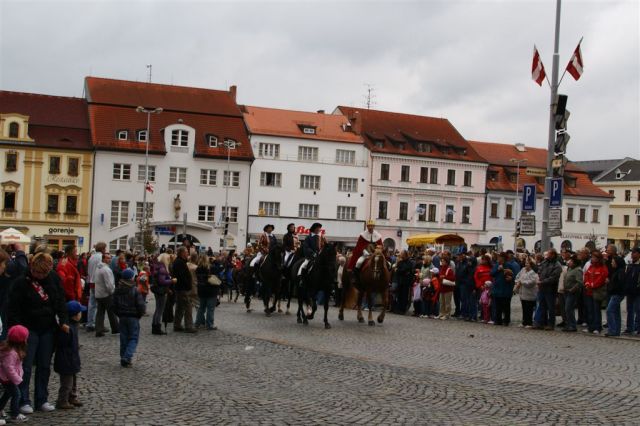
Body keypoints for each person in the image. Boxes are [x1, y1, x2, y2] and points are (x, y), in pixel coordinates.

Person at [8, 252, 69, 415]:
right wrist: (17, 329)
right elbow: (13, 307)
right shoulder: (21, 282)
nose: (40, 276)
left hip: (48, 328)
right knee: (25, 367)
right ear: (32, 268)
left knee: (44, 366)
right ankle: (23, 400)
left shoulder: (54, 279)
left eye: (44, 273)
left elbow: (60, 301)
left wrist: (63, 320)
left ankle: (42, 399)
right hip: (28, 329)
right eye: (37, 272)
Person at [54, 301, 85, 409]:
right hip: (66, 359)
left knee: (73, 381)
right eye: (80, 312)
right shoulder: (67, 329)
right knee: (67, 383)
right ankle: (62, 400)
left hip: (72, 358)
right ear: (76, 315)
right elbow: (62, 344)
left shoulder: (73, 326)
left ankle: (72, 397)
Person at [112, 268, 146, 367]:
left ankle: (123, 357)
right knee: (133, 338)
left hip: (122, 316)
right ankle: (127, 357)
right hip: (133, 317)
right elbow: (140, 305)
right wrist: (140, 313)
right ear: (132, 278)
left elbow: (113, 305)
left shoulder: (118, 289)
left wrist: (119, 313)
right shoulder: (135, 290)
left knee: (123, 338)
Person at [0, 325, 29, 423]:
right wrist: (17, 379)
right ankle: (15, 414)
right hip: (8, 378)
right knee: (16, 395)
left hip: (8, 377)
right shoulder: (12, 353)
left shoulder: (13, 350)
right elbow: (9, 368)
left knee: (7, 394)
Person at [533, 249, 562, 330]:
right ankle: (541, 323)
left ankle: (551, 324)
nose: (547, 255)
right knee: (541, 306)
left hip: (550, 289)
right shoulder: (544, 262)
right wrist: (539, 279)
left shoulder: (557, 265)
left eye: (549, 254)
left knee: (551, 307)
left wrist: (542, 281)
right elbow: (539, 270)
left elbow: (554, 278)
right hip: (542, 288)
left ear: (553, 255)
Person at [94, 252, 119, 337]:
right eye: (108, 258)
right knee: (111, 312)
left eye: (110, 258)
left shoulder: (98, 267)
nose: (109, 259)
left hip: (98, 293)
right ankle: (115, 328)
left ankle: (99, 329)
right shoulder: (106, 270)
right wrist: (112, 292)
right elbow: (109, 284)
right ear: (104, 259)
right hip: (106, 294)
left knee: (100, 312)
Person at [583, 250, 608, 334]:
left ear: (598, 259)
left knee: (596, 310)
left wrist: (592, 285)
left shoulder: (602, 268)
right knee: (590, 310)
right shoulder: (591, 266)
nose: (592, 259)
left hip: (597, 292)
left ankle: (597, 327)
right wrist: (587, 283)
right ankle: (591, 326)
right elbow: (586, 275)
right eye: (592, 257)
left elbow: (601, 278)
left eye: (594, 257)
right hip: (589, 291)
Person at [172, 247, 196, 333]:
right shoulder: (179, 263)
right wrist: (187, 285)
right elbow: (182, 276)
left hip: (180, 287)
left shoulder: (179, 262)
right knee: (188, 307)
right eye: (186, 252)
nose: (187, 254)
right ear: (182, 253)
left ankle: (177, 325)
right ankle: (188, 326)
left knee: (180, 307)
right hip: (183, 288)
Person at [85, 242, 107, 332]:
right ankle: (98, 324)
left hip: (91, 281)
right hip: (98, 282)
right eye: (105, 248)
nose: (105, 250)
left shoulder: (91, 257)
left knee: (92, 304)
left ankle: (90, 323)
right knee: (100, 305)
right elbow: (102, 270)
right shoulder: (100, 257)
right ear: (102, 249)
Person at [151, 253, 175, 335]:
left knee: (157, 309)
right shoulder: (162, 268)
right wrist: (172, 281)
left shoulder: (158, 266)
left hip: (158, 290)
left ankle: (154, 326)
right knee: (160, 310)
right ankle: (157, 327)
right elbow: (162, 281)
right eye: (168, 259)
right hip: (161, 291)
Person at [194, 255, 218, 330]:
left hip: (201, 290)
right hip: (211, 291)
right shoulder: (210, 268)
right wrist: (215, 261)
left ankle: (197, 323)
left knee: (201, 308)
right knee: (210, 309)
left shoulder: (197, 268)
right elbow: (218, 271)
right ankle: (209, 324)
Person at [491, 253, 514, 326]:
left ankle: (506, 321)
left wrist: (511, 278)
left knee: (506, 306)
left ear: (503, 258)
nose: (498, 259)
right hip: (497, 289)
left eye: (500, 257)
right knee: (498, 306)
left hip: (506, 289)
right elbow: (491, 273)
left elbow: (514, 275)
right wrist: (497, 270)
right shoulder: (496, 265)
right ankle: (498, 320)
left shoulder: (509, 266)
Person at [605, 256, 626, 337]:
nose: (611, 263)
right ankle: (616, 330)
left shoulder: (620, 272)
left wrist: (610, 284)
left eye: (613, 262)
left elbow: (619, 284)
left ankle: (612, 330)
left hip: (617, 294)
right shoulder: (617, 271)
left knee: (609, 310)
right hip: (617, 293)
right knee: (616, 312)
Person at [515, 257, 538, 328]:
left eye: (527, 263)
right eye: (525, 263)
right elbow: (517, 277)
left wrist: (522, 282)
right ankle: (524, 322)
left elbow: (531, 282)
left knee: (529, 309)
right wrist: (517, 281)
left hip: (530, 293)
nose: (526, 265)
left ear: (531, 265)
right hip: (522, 293)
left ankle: (529, 322)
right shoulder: (523, 270)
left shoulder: (533, 272)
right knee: (524, 308)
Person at [562, 255, 583, 332]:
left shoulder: (578, 270)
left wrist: (572, 289)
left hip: (573, 292)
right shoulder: (570, 269)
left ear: (574, 263)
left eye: (571, 261)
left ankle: (572, 325)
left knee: (569, 308)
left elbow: (579, 282)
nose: (569, 262)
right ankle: (569, 324)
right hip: (567, 291)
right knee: (567, 309)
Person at [623, 247, 640, 335]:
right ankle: (629, 328)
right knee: (630, 310)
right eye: (632, 253)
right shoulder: (630, 265)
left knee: (638, 310)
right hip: (629, 291)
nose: (632, 254)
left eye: (634, 253)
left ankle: (638, 328)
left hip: (638, 292)